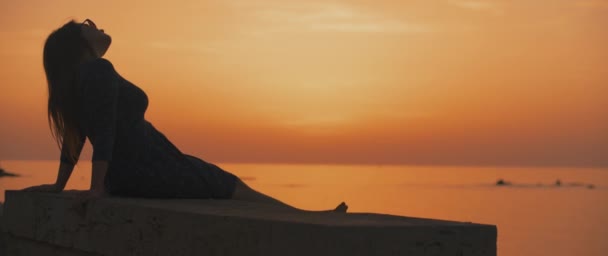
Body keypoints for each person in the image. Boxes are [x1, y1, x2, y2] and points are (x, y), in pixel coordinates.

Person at [22, 19, 348, 213]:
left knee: (221, 182)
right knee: (225, 184)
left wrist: (59, 185)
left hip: (144, 166)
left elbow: (75, 136)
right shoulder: (99, 70)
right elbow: (102, 134)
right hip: (147, 166)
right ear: (78, 43)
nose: (98, 25)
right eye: (88, 25)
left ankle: (305, 213)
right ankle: (306, 216)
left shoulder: (83, 79)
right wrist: (96, 189)